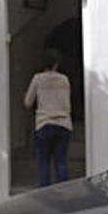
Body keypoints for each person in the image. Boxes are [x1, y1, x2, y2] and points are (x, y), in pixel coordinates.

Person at [24, 50, 72, 187]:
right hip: (64, 124)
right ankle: (63, 193)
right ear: (56, 64)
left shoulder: (38, 79)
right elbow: (67, 103)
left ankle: (45, 196)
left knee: (44, 162)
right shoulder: (64, 79)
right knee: (61, 161)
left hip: (44, 123)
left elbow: (28, 102)